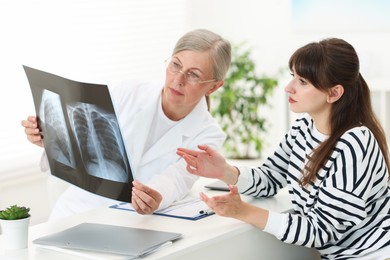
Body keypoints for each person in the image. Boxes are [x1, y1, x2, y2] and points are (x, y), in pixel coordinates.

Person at [177, 38, 390, 259]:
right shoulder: (303, 129)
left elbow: (322, 231)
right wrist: (224, 171)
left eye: (303, 82)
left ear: (334, 93)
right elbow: (270, 178)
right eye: (293, 77)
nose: (289, 87)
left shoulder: (356, 142)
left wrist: (243, 211)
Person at [22, 28, 231, 220]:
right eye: (176, 64)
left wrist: (156, 196)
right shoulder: (128, 92)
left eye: (193, 74)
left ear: (213, 87)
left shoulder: (209, 136)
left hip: (134, 221)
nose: (178, 79)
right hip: (74, 212)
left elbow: (177, 179)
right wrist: (51, 139)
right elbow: (83, 144)